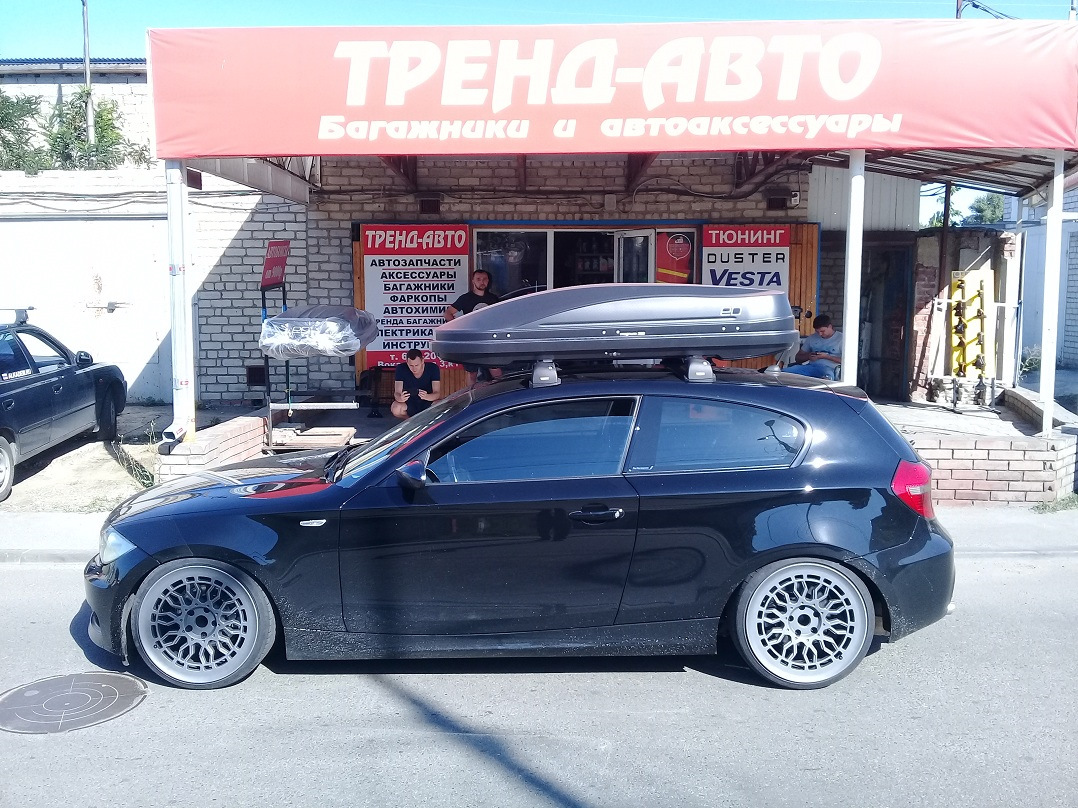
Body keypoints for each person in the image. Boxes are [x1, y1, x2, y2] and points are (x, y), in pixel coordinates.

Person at [444, 268, 503, 385]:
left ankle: (502, 393)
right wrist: (458, 328)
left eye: (484, 279)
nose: (482, 282)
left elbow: (500, 317)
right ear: (473, 281)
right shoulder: (466, 298)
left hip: (489, 340)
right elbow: (448, 313)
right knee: (472, 373)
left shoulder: (493, 299)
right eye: (478, 279)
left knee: (496, 371)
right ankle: (470, 395)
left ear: (488, 281)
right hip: (471, 341)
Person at [784, 315, 843, 380]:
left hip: (831, 369)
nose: (820, 334)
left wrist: (826, 357)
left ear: (830, 326)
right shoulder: (812, 338)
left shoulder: (842, 339)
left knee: (827, 378)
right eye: (817, 331)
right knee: (784, 372)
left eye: (822, 331)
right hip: (811, 367)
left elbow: (847, 361)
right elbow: (798, 358)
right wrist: (808, 356)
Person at [391, 349, 442, 419]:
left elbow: (437, 393)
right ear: (407, 362)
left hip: (428, 401)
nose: (414, 368)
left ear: (422, 361)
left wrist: (427, 396)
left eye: (417, 365)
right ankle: (411, 421)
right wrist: (400, 398)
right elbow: (397, 393)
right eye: (411, 365)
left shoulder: (433, 368)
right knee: (395, 408)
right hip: (409, 402)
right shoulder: (401, 368)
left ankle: (427, 422)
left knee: (441, 406)